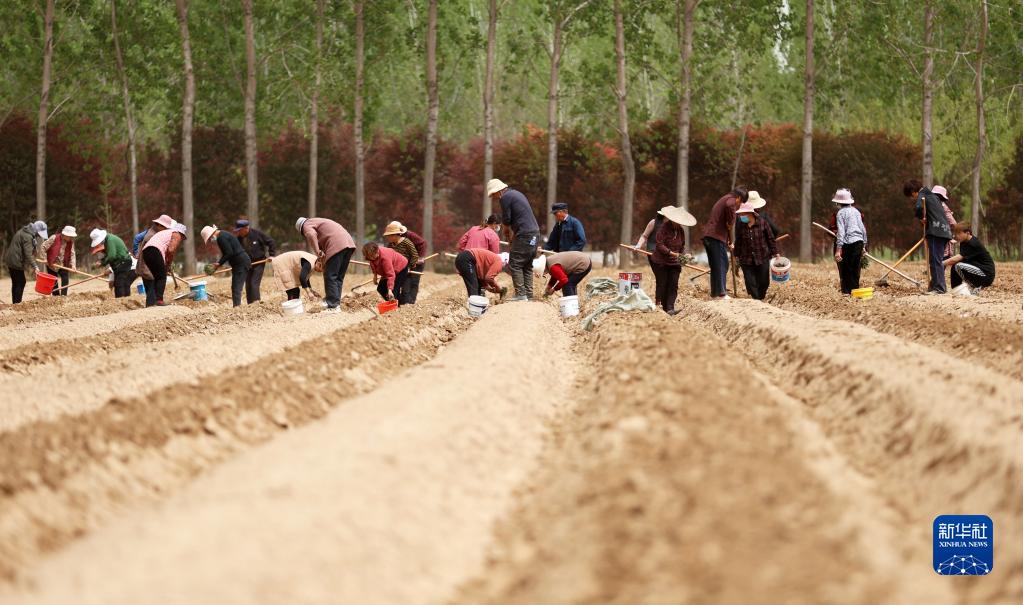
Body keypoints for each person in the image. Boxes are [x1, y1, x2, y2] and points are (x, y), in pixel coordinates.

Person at [488, 178, 539, 301]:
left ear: (498, 191)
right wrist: (513, 237)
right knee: (526, 264)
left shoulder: (505, 197)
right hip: (534, 233)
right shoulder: (516, 194)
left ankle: (521, 294)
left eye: (493, 195)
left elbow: (507, 219)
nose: (494, 198)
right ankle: (528, 295)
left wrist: (506, 231)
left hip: (524, 234)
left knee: (515, 263)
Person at [296, 217, 356, 311]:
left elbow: (311, 234)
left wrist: (317, 252)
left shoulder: (306, 225)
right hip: (349, 243)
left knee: (330, 275)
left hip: (337, 244)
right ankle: (335, 303)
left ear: (301, 230)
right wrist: (323, 261)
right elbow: (323, 249)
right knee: (338, 277)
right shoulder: (317, 222)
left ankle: (332, 305)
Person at [904, 179, 953, 294]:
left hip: (936, 232)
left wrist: (921, 218)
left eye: (911, 196)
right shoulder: (934, 197)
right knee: (936, 260)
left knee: (935, 261)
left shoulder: (923, 194)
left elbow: (918, 208)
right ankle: (934, 286)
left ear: (913, 191)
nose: (913, 198)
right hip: (945, 231)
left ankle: (939, 288)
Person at [702, 187, 748, 299]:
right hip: (715, 237)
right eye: (741, 202)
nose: (739, 205)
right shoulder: (731, 200)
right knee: (722, 264)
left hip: (711, 236)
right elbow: (729, 207)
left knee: (716, 265)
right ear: (739, 198)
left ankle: (715, 293)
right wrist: (731, 221)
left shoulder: (725, 198)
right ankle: (721, 293)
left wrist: (727, 238)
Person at [652, 206, 696, 315]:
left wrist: (685, 254)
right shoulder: (663, 228)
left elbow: (682, 246)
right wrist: (670, 253)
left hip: (675, 263)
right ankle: (663, 307)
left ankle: (670, 308)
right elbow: (659, 244)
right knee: (663, 284)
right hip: (661, 262)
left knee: (673, 285)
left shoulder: (680, 230)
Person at [733, 203, 780, 300]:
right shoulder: (741, 226)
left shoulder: (763, 223)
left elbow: (770, 238)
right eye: (740, 214)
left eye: (743, 214)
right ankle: (756, 300)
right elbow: (738, 241)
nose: (741, 217)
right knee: (750, 282)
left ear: (750, 213)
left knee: (764, 282)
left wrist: (775, 252)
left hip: (762, 256)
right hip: (746, 258)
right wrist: (736, 255)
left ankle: (760, 297)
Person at [201, 225, 251, 307]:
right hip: (239, 263)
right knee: (235, 287)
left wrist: (219, 264)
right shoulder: (223, 234)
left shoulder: (221, 238)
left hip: (241, 263)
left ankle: (237, 308)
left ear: (211, 234)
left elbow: (229, 253)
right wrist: (219, 263)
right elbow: (228, 253)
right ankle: (237, 306)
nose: (210, 240)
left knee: (236, 287)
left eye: (209, 238)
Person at [140, 221, 185, 307]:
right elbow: (171, 250)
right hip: (154, 250)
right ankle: (159, 300)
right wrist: (168, 263)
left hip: (146, 252)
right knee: (162, 276)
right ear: (181, 233)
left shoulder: (165, 233)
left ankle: (152, 302)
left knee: (156, 276)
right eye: (183, 237)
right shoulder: (176, 234)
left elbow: (165, 250)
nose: (181, 239)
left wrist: (166, 264)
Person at [832, 188, 867, 295]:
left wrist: (838, 250)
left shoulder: (840, 213)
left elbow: (841, 232)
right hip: (859, 242)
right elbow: (863, 229)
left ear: (838, 202)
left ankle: (847, 293)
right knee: (855, 269)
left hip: (848, 244)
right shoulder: (856, 211)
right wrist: (864, 245)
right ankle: (855, 293)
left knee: (846, 270)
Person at [944, 223, 995, 294]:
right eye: (956, 233)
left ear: (967, 233)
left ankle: (974, 287)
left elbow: (956, 259)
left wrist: (940, 263)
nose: (956, 236)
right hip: (977, 270)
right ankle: (956, 289)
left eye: (959, 233)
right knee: (955, 266)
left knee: (958, 266)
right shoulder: (963, 242)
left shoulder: (973, 243)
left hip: (986, 274)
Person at [4, 220, 47, 304]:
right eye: (39, 234)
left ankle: (15, 303)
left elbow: (28, 248)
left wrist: (34, 247)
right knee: (21, 282)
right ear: (36, 230)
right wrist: (35, 266)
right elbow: (28, 254)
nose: (39, 236)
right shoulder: (28, 236)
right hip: (16, 261)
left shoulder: (26, 231)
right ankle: (17, 304)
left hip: (11, 259)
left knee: (16, 282)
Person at [234, 218, 276, 304]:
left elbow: (271, 242)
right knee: (248, 284)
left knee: (254, 283)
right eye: (238, 230)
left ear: (246, 228)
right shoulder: (238, 239)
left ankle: (256, 304)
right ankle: (250, 305)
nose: (239, 232)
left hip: (259, 262)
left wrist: (272, 255)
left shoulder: (257, 234)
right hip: (247, 264)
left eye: (240, 230)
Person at [135, 215, 175, 298]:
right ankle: (152, 305)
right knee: (151, 292)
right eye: (165, 227)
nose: (166, 230)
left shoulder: (155, 233)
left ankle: (153, 304)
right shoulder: (152, 235)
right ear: (159, 225)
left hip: (148, 267)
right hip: (147, 267)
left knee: (152, 291)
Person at [89, 228, 134, 298]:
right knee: (122, 284)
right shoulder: (108, 240)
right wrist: (101, 261)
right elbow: (110, 255)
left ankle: (121, 301)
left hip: (123, 262)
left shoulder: (110, 240)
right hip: (120, 264)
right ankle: (125, 300)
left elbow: (112, 256)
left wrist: (102, 263)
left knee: (119, 284)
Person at [382, 221, 419, 304]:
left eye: (389, 236)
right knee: (392, 289)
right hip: (394, 270)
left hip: (405, 269)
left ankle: (404, 305)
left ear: (395, 235)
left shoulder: (407, 242)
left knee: (405, 290)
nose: (388, 238)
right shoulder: (390, 245)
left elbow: (415, 255)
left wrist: (410, 267)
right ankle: (395, 305)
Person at [394, 222, 427, 304]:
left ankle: (411, 303)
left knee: (414, 282)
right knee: (405, 282)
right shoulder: (392, 240)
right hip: (406, 263)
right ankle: (404, 302)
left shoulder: (410, 235)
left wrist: (420, 257)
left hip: (417, 263)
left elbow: (422, 243)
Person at [40, 226, 78, 296]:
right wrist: (44, 258)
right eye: (70, 236)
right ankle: (56, 297)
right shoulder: (54, 238)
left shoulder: (71, 242)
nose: (71, 238)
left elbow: (72, 254)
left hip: (63, 264)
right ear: (65, 235)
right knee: (54, 282)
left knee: (65, 279)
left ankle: (63, 296)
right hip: (52, 264)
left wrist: (73, 265)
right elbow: (43, 247)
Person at [932, 185, 958, 260]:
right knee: (944, 257)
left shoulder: (931, 207)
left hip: (934, 236)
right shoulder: (943, 207)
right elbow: (953, 223)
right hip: (944, 235)